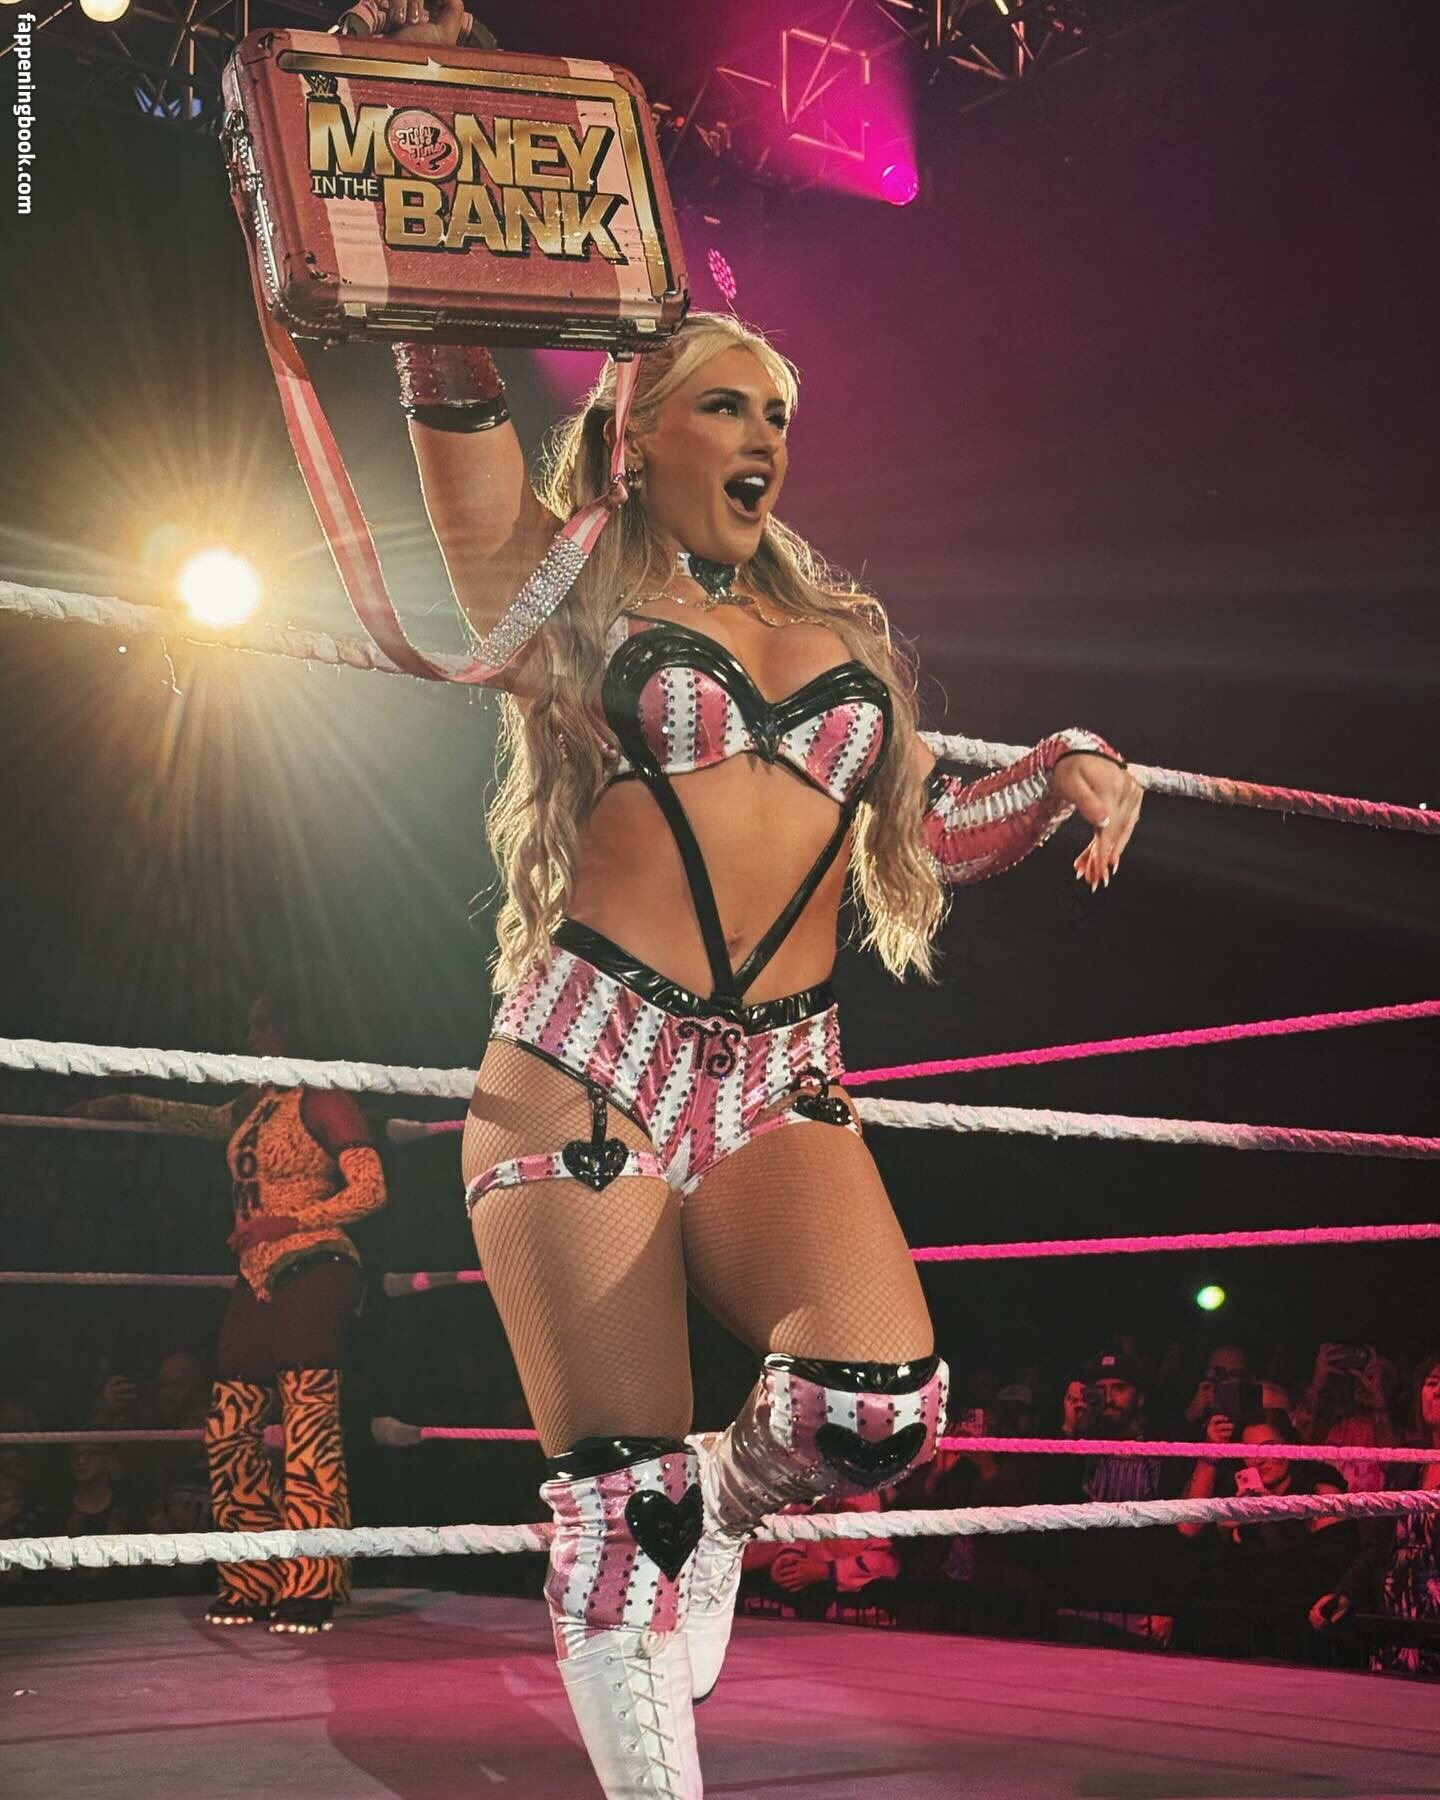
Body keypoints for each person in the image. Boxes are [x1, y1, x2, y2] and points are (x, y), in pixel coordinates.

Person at [365, 11, 1141, 1785]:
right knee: (614, 1506)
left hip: (783, 1072)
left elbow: (925, 838)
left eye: (779, 411)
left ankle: (724, 1503)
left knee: (876, 1412)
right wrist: (422, 162)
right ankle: (661, 1581)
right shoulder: (567, 589)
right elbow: (458, 414)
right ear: (636, 432)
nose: (765, 432)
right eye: (726, 402)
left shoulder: (842, 628)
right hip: (588, 1057)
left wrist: (1068, 768)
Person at [70, 988, 386, 1634]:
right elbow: (200, 1119)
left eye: (262, 1026)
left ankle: (313, 1581)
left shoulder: (324, 1097)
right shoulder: (252, 1103)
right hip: (257, 1272)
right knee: (228, 1425)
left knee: (307, 1420)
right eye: (251, 1027)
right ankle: (251, 1574)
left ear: (293, 1029)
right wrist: (131, 1103)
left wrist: (289, 1221)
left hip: (316, 1262)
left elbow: (372, 1189)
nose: (252, 1040)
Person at [1179, 1408, 1353, 1657]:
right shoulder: (1238, 1493)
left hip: (1304, 1633)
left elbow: (1325, 1568)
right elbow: (1188, 1528)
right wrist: (1224, 1532)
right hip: (1243, 1634)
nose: (1258, 1460)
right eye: (1250, 1450)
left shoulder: (1320, 1487)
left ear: (1289, 1447)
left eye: (1269, 1447)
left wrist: (1275, 1515)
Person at [1311, 1352, 1440, 1677]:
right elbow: (1379, 1545)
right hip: (1396, 1618)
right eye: (1432, 1383)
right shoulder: (1409, 1465)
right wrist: (1346, 1593)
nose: (1437, 1391)